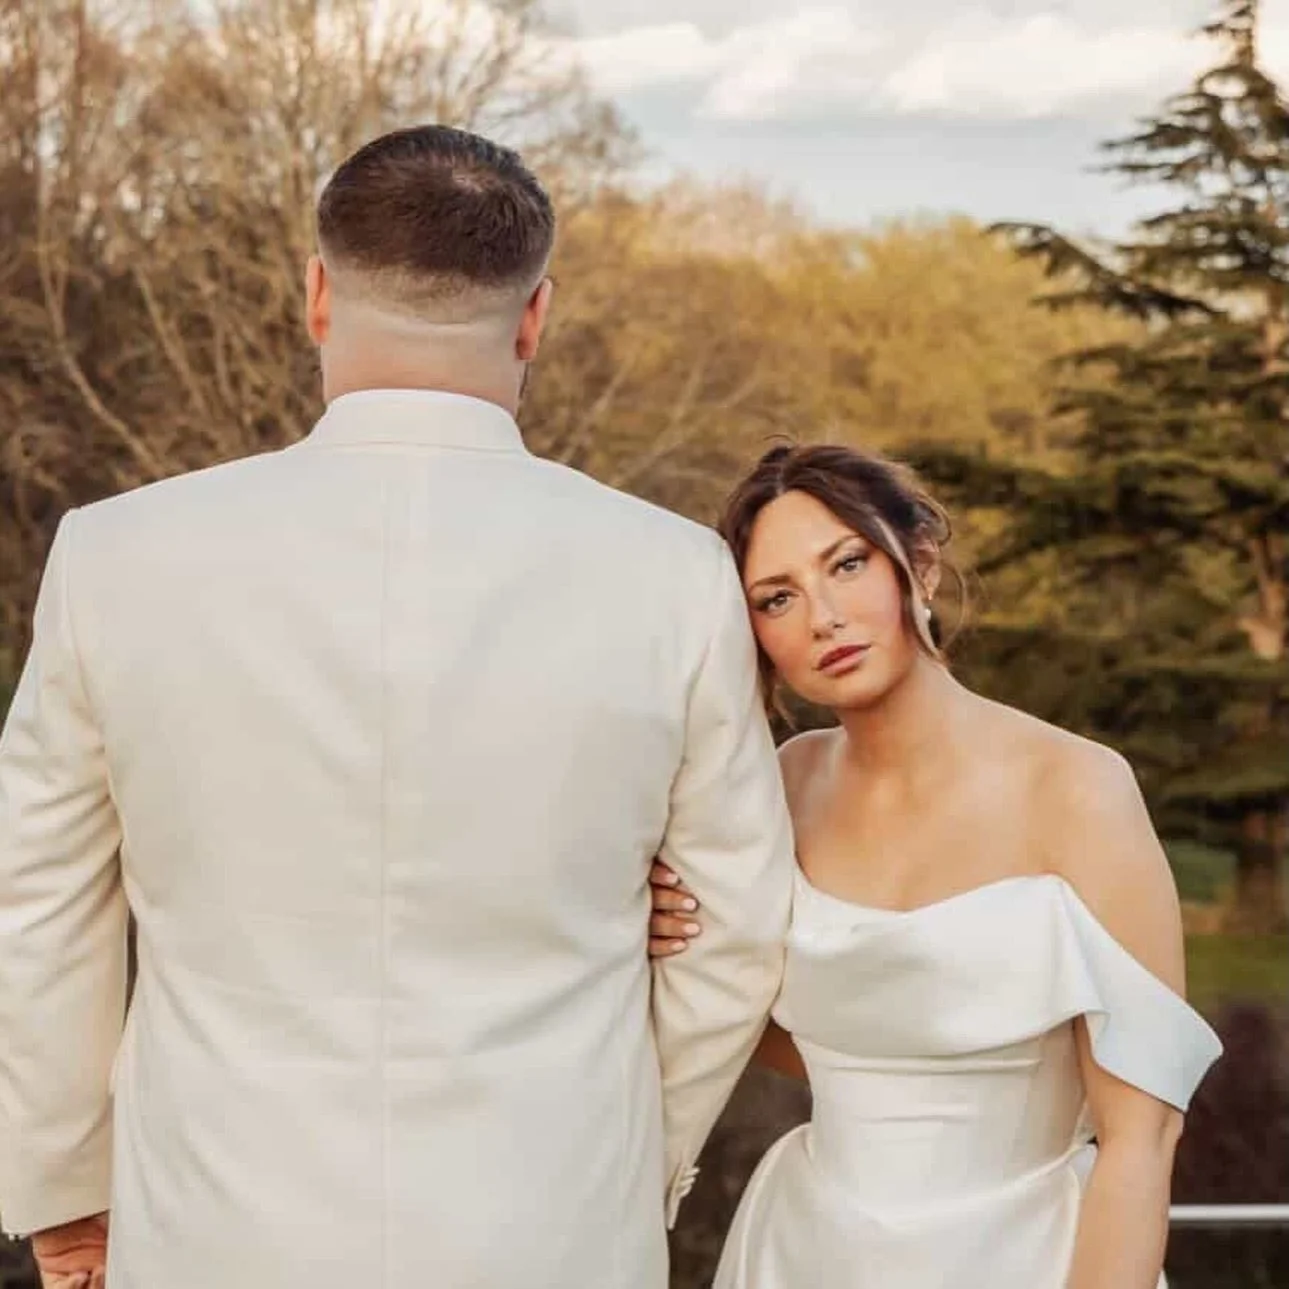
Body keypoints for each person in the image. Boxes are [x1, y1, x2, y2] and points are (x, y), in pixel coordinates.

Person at [0, 125, 795, 1288]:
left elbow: (39, 904)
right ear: (534, 316)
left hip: (211, 1221)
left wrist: (65, 1184)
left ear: (316, 294)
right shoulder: (672, 572)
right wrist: (627, 1154)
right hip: (555, 1224)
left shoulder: (118, 554)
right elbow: (734, 922)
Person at [649, 443, 1222, 1289]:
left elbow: (1141, 1136)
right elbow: (770, 1012)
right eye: (777, 597)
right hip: (804, 1249)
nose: (823, 617)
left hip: (1023, 1254)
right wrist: (658, 939)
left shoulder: (1074, 787)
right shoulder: (775, 789)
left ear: (916, 562)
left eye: (846, 564)